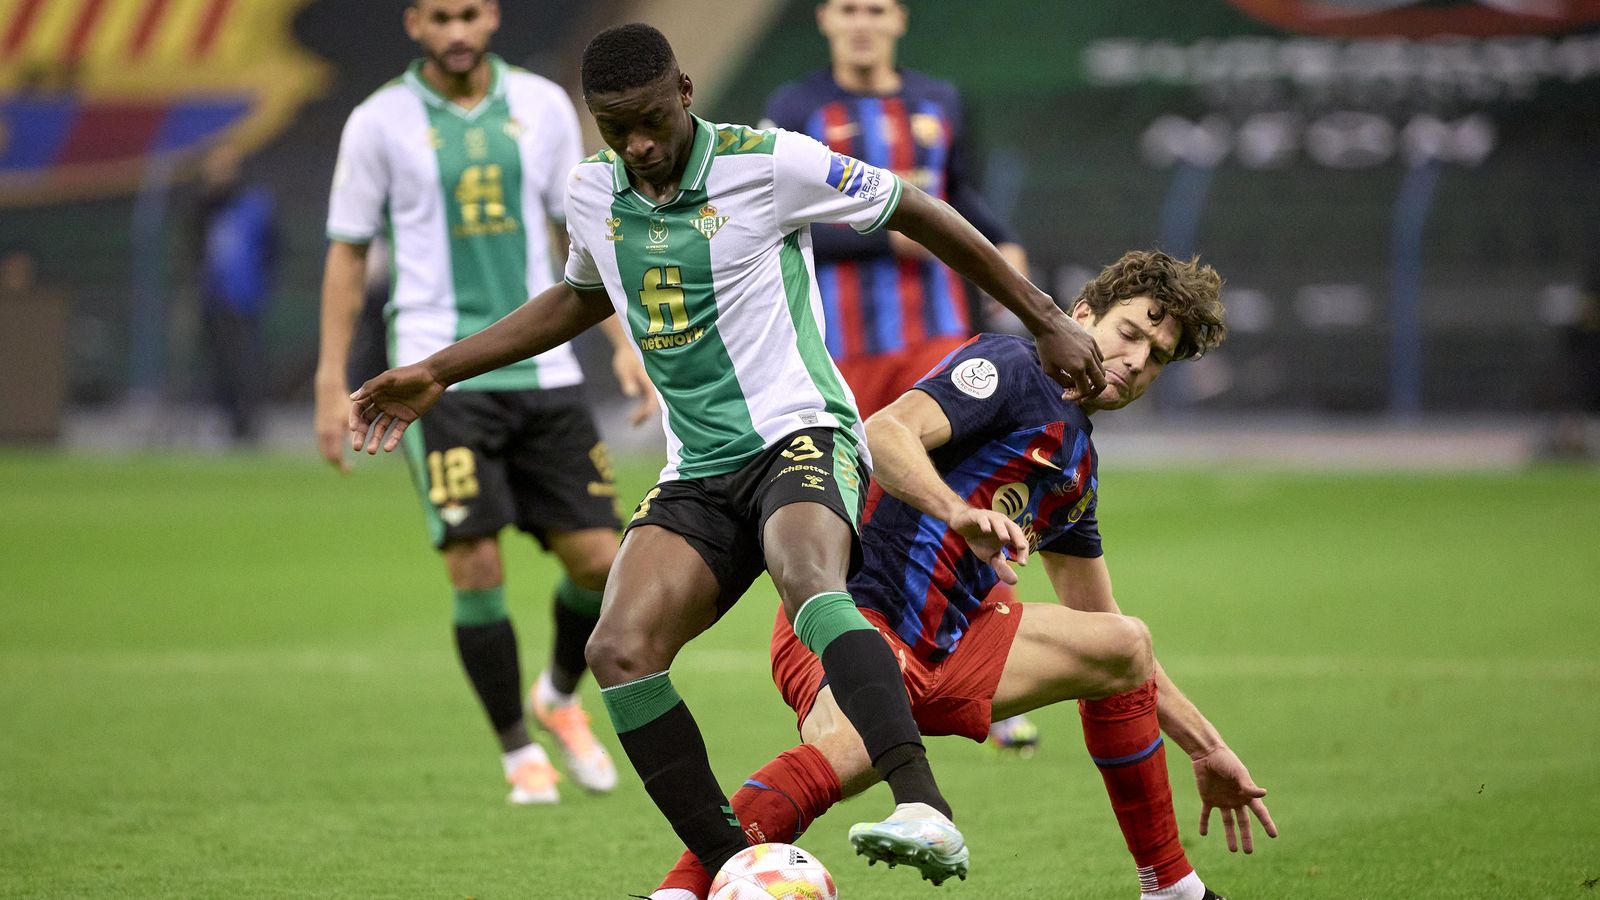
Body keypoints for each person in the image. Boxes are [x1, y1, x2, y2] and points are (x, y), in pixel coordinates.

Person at [347, 22, 1107, 887]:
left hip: (801, 434)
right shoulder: (596, 191)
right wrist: (436, 371)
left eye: (649, 123)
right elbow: (574, 300)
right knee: (619, 649)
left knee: (807, 577)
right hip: (698, 469)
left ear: (684, 95)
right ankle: (729, 868)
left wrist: (1043, 317)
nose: (637, 145)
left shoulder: (770, 161)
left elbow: (917, 208)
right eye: (614, 128)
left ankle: (923, 804)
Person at [650, 251, 1276, 900]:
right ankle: (679, 891)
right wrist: (955, 511)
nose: (1138, 361)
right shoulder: (1010, 369)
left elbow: (1107, 629)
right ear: (1082, 314)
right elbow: (887, 432)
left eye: (1158, 357)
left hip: (951, 646)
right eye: (1130, 333)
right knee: (857, 751)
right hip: (852, 619)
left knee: (1123, 645)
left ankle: (1172, 889)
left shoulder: (1078, 466)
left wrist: (1206, 747)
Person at [316, 0, 656, 806]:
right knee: (477, 564)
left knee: (601, 563)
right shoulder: (378, 122)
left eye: (468, 13)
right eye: (440, 17)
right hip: (435, 374)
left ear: (492, 17)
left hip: (543, 371)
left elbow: (577, 233)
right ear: (414, 25)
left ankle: (559, 695)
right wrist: (333, 379)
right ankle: (515, 750)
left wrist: (620, 344)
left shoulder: (542, 105)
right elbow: (348, 250)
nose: (457, 30)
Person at [764, 0, 1039, 750]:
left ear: (898, 20)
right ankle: (844, 674)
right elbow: (781, 215)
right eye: (848, 8)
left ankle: (991, 670)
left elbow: (964, 194)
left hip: (939, 339)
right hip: (839, 348)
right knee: (851, 510)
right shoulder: (795, 106)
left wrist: (1003, 247)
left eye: (875, 8)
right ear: (825, 19)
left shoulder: (940, 100)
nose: (862, 21)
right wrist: (893, 234)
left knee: (961, 499)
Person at [192, 142, 279, 445]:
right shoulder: (204, 205)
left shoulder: (253, 203)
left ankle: (249, 422)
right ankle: (224, 417)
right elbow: (192, 246)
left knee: (246, 360)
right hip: (213, 295)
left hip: (245, 295)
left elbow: (273, 247)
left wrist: (263, 283)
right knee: (218, 360)